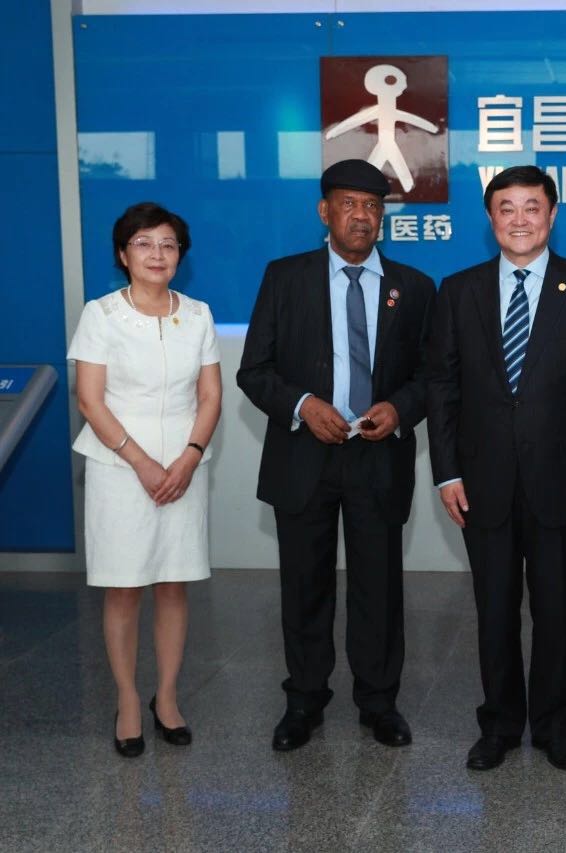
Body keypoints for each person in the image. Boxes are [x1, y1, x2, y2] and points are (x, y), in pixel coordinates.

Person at [425, 166, 566, 772]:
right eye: (506, 208)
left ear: (552, 215)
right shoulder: (458, 290)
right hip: (481, 482)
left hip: (563, 484)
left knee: (555, 611)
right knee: (493, 610)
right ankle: (500, 725)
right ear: (490, 219)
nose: (520, 220)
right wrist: (446, 472)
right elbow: (442, 389)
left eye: (532, 207)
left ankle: (554, 726)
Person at [238, 159, 434, 751]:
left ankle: (379, 702)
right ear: (325, 212)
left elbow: (433, 375)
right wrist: (303, 405)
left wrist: (399, 408)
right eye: (349, 204)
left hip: (378, 456)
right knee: (305, 585)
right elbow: (254, 370)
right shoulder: (285, 277)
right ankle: (304, 700)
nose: (361, 216)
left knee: (379, 587)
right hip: (305, 453)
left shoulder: (414, 287)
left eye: (372, 206)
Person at [69, 202, 222, 757]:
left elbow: (210, 395)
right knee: (124, 586)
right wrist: (140, 461)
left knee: (174, 584)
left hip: (184, 467)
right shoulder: (102, 314)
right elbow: (90, 399)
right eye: (144, 243)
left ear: (180, 255)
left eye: (168, 244)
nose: (157, 254)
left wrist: (190, 456)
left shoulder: (198, 314)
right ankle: (129, 700)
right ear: (123, 253)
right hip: (119, 468)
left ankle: (168, 697)